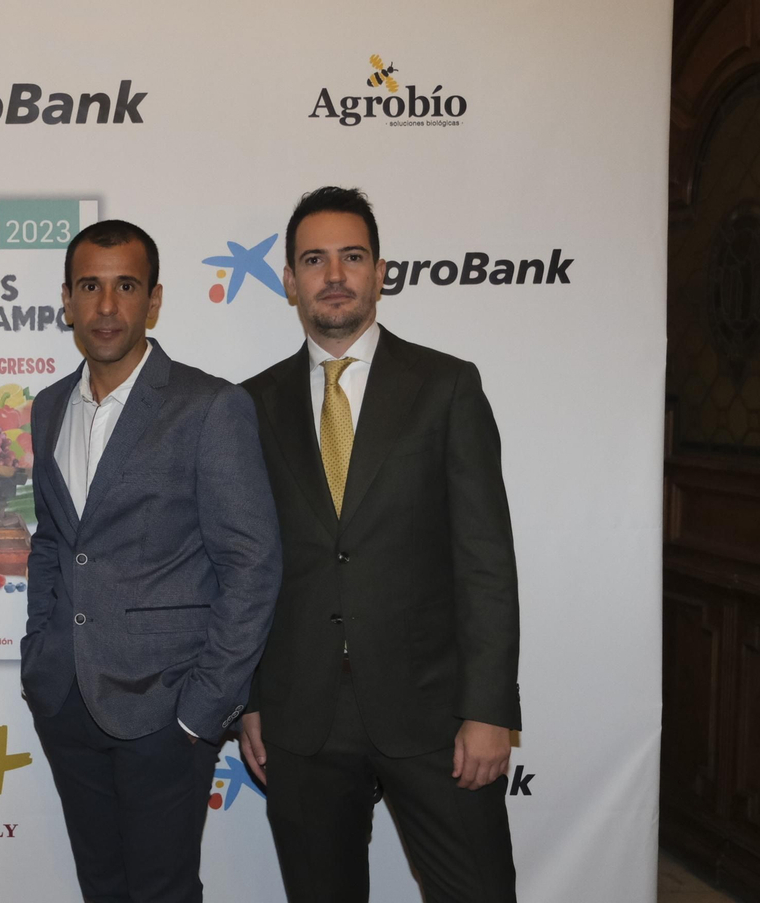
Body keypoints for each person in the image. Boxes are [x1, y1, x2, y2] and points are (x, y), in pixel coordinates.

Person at [239, 186, 521, 902]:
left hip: (434, 711)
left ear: (380, 271)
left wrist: (489, 707)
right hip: (300, 715)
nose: (334, 274)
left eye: (351, 256)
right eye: (314, 259)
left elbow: (485, 559)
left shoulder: (447, 387)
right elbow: (242, 567)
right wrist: (248, 698)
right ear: (290, 281)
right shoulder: (248, 405)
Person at [20, 220, 282, 902]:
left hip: (167, 709)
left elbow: (252, 563)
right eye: (91, 287)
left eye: (126, 286)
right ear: (69, 301)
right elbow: (52, 540)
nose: (107, 306)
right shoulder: (48, 407)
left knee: (162, 891)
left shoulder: (209, 406)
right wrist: (39, 653)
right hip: (67, 699)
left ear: (154, 300)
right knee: (103, 886)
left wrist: (201, 710)